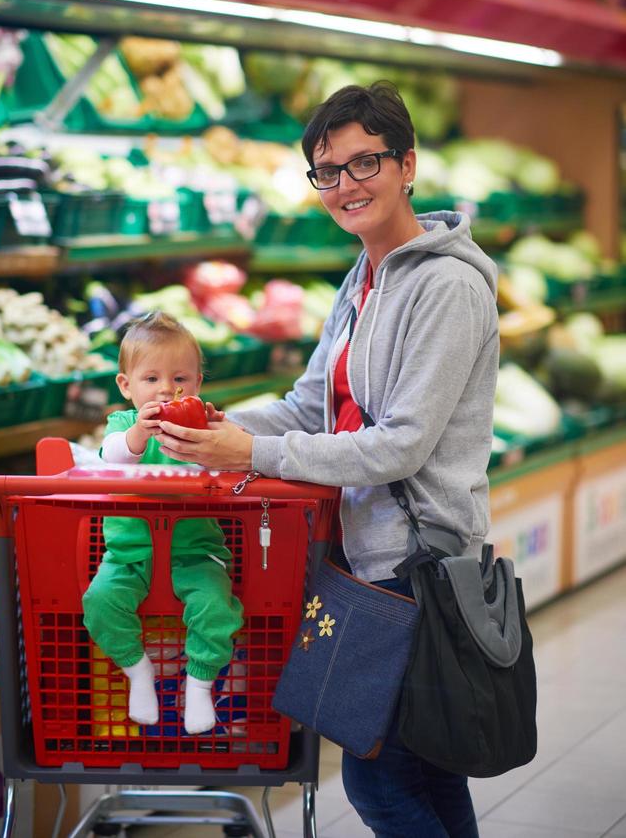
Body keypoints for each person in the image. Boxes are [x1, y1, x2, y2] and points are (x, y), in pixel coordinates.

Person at [153, 82, 499, 837]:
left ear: (408, 164)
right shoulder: (362, 279)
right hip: (369, 560)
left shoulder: (445, 286)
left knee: (380, 780)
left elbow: (403, 443)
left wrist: (253, 450)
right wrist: (204, 424)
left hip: (419, 563)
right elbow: (309, 404)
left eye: (364, 163)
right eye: (328, 171)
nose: (346, 186)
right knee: (426, 767)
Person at [82, 311, 244, 735]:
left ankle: (199, 684)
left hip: (195, 552)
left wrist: (213, 432)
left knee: (216, 606)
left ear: (197, 384)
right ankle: (138, 673)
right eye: (151, 379)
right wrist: (139, 431)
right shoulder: (122, 425)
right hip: (129, 555)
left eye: (180, 380)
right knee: (98, 602)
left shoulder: (203, 426)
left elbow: (227, 466)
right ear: (126, 386)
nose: (167, 390)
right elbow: (114, 455)